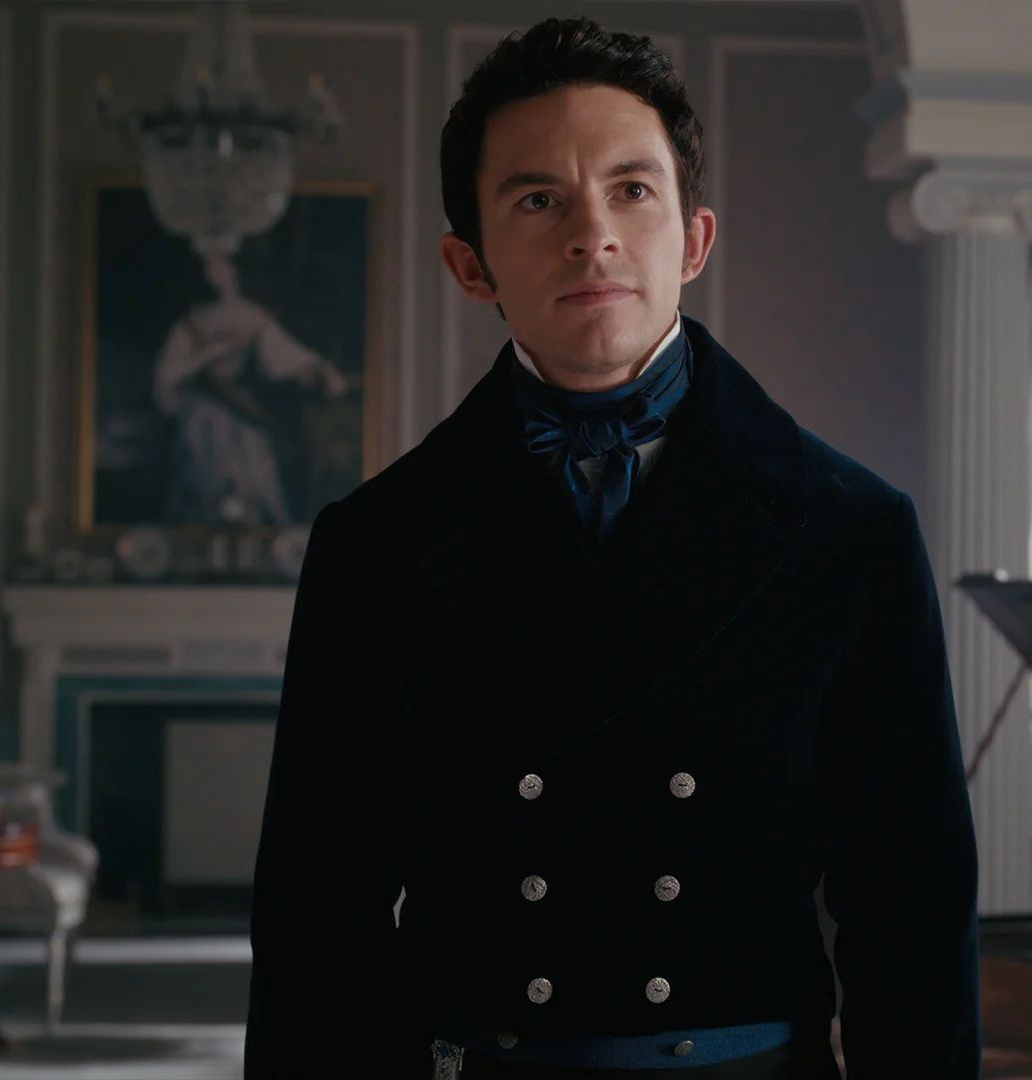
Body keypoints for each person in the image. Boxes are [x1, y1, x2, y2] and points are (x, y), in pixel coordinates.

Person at [245, 16, 978, 1079]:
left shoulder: (851, 530)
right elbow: (318, 918)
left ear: (694, 239)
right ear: (469, 263)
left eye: (632, 190)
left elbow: (912, 915)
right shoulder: (376, 546)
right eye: (538, 200)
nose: (592, 235)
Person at [152, 244, 349, 525]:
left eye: (219, 265)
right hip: (202, 415)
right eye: (207, 266)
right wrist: (209, 355)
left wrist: (319, 370)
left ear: (234, 270)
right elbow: (168, 371)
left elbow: (282, 354)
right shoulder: (191, 321)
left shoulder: (252, 316)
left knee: (257, 476)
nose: (212, 273)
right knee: (200, 481)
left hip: (242, 415)